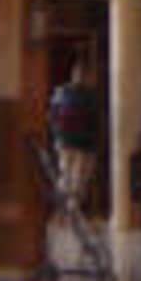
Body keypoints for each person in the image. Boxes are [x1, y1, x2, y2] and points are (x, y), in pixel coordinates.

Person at [46, 54, 101, 210]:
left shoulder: (60, 92)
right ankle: (72, 209)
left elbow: (51, 116)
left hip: (63, 141)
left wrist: (57, 136)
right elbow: (94, 121)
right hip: (84, 143)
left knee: (65, 174)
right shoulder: (90, 95)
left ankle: (61, 208)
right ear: (88, 76)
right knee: (79, 177)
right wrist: (95, 144)